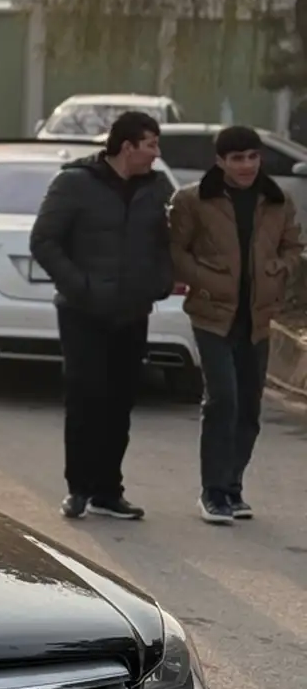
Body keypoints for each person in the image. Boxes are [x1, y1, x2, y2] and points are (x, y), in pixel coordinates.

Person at [29, 110, 173, 521]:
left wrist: (159, 282)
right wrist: (80, 286)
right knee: (86, 398)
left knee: (120, 402)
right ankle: (79, 488)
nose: (156, 154)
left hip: (132, 311)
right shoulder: (74, 184)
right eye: (150, 145)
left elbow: (168, 242)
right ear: (127, 147)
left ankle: (109, 491)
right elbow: (44, 240)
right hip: (83, 311)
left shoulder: (156, 187)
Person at [170, 123, 303, 524]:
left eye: (252, 157)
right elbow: (176, 251)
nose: (246, 165)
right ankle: (212, 491)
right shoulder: (194, 200)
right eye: (237, 158)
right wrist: (206, 280)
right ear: (220, 161)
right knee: (222, 399)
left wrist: (279, 268)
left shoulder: (277, 200)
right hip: (212, 315)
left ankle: (232, 487)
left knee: (248, 406)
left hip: (259, 318)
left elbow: (294, 247)